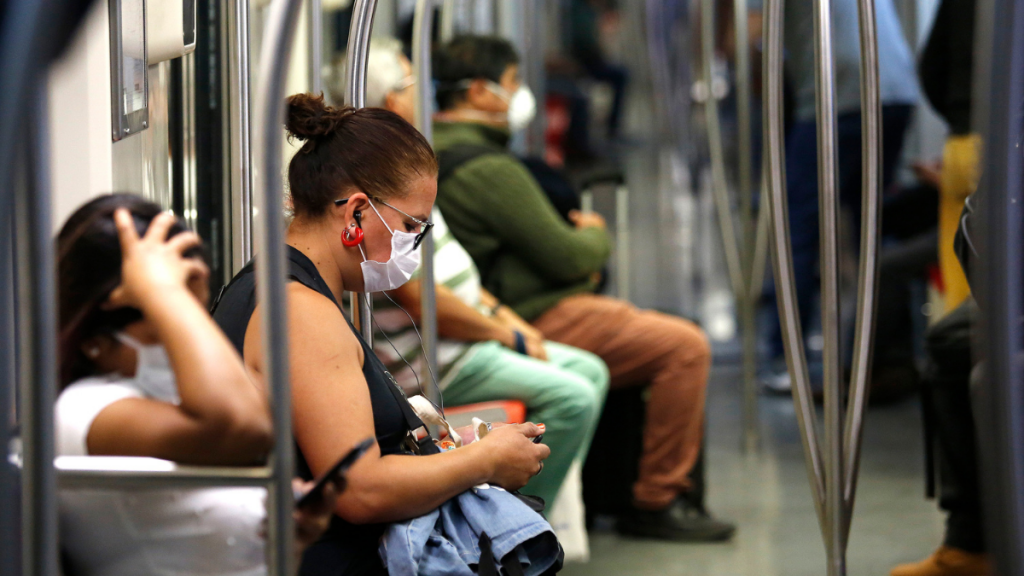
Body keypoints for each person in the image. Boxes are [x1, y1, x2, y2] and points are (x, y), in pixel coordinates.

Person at [212, 95, 552, 576]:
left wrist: (461, 450)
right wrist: (484, 463)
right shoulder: (298, 311)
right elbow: (358, 488)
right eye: (411, 225)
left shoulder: (280, 284)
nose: (414, 243)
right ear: (355, 213)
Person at [431, 34, 735, 542]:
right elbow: (568, 253)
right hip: (532, 310)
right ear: (481, 93)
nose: (520, 94)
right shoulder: (488, 170)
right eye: (511, 83)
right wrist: (594, 233)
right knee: (685, 346)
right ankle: (658, 499)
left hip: (506, 303)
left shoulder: (439, 155)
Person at [341, 38, 610, 509]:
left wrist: (509, 321)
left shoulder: (411, 166)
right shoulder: (379, 189)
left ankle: (529, 513)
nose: (426, 91)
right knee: (574, 398)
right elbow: (423, 297)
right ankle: (522, 523)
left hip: (470, 339)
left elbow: (457, 271)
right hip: (438, 361)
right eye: (411, 82)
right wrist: (508, 337)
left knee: (590, 370)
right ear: (391, 101)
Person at [55, 194, 339, 576]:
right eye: (170, 321)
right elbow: (246, 426)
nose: (185, 340)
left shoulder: (165, 403)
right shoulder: (84, 411)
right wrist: (165, 291)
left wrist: (289, 538)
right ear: (96, 338)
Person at [753, 0, 921, 391]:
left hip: (838, 92)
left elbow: (746, 40)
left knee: (798, 228)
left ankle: (785, 356)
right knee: (873, 225)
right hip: (895, 86)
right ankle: (886, 353)